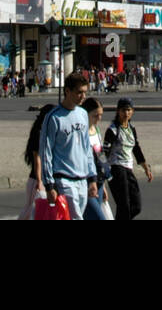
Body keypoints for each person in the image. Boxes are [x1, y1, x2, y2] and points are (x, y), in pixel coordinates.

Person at [39, 73, 98, 220]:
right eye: (79, 92)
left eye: (85, 92)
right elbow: (46, 152)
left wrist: (92, 177)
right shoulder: (53, 117)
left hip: (82, 179)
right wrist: (49, 185)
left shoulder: (83, 114)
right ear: (67, 91)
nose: (82, 96)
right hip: (64, 179)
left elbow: (87, 148)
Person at [103, 98, 152, 219]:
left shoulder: (131, 128)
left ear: (133, 111)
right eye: (123, 110)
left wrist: (146, 167)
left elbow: (136, 148)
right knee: (124, 205)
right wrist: (102, 173)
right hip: (116, 168)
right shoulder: (113, 130)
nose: (126, 113)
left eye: (129, 110)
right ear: (118, 111)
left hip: (128, 168)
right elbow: (104, 153)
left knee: (136, 206)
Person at [81, 97, 113, 220]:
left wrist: (103, 184)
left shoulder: (96, 130)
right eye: (95, 115)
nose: (99, 118)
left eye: (101, 115)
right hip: (86, 182)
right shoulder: (81, 132)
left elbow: (101, 156)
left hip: (98, 181)